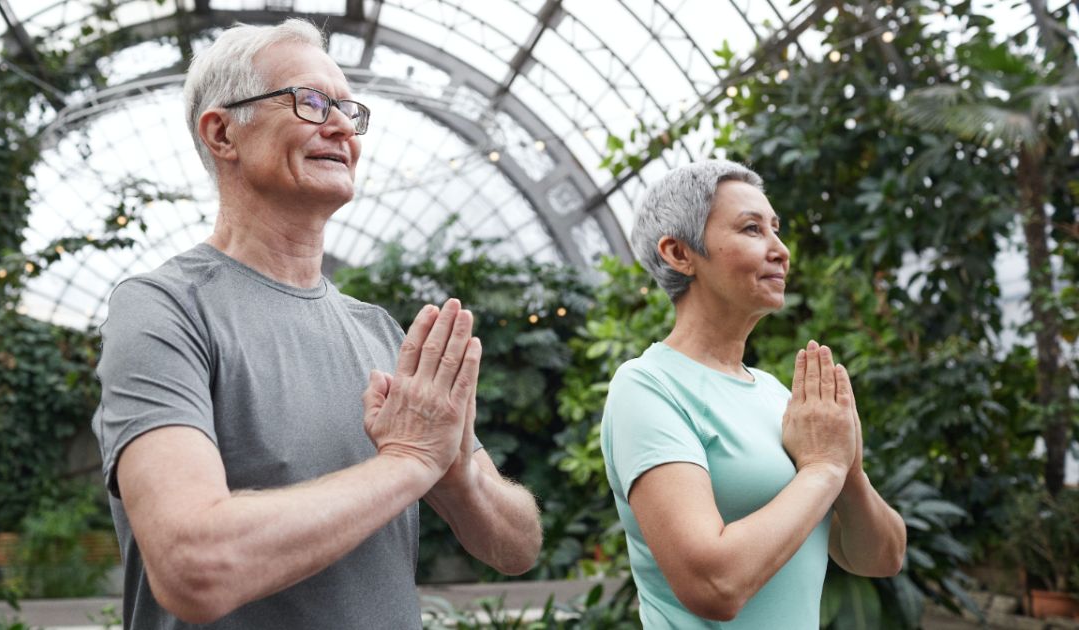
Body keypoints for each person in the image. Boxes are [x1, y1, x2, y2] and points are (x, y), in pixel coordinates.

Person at [92, 19, 542, 629]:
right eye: (309, 102)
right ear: (223, 132)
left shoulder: (380, 333)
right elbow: (193, 564)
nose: (339, 126)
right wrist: (406, 463)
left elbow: (516, 548)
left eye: (347, 110)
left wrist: (456, 473)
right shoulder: (164, 309)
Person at [600, 160, 906, 628]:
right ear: (679, 253)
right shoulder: (647, 388)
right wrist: (823, 469)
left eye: (775, 229)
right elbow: (713, 586)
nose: (781, 250)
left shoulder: (777, 395)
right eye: (751, 229)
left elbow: (881, 558)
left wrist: (849, 468)